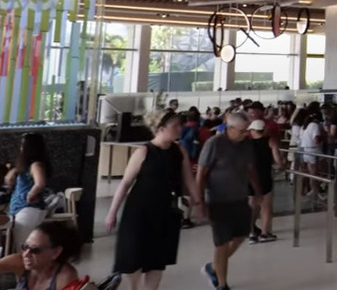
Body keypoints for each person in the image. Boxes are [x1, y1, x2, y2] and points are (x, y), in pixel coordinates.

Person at [106, 110, 200, 290]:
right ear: (161, 129)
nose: (180, 129)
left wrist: (198, 202)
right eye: (175, 126)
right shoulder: (144, 152)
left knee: (157, 260)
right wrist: (112, 213)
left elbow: (189, 179)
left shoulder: (179, 151)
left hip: (165, 211)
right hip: (138, 211)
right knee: (133, 257)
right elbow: (125, 183)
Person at [198, 112, 263, 290]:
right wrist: (200, 201)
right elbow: (201, 173)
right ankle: (222, 284)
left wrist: (257, 191)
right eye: (242, 131)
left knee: (241, 235)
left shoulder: (246, 144)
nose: (245, 134)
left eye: (246, 131)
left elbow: (250, 169)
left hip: (240, 198)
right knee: (222, 242)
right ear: (230, 128)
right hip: (218, 201)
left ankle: (213, 267)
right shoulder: (215, 144)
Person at [0, 221, 81, 290]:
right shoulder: (19, 262)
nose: (26, 254)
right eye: (25, 246)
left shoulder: (65, 276)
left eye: (35, 250)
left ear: (56, 252)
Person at [7, 133, 52, 254]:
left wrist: (30, 195)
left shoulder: (36, 165)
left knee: (24, 249)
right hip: (23, 209)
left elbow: (40, 183)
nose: (20, 148)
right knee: (23, 247)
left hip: (28, 210)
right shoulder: (28, 166)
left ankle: (27, 272)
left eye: (23, 145)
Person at [247, 120, 283, 244]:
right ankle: (264, 233)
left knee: (252, 206)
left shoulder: (247, 144)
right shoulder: (271, 142)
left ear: (252, 130)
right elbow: (278, 161)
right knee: (266, 207)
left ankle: (251, 234)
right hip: (265, 177)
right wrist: (281, 166)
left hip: (250, 178)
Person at [300, 113, 325, 199]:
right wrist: (324, 137)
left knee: (312, 173)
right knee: (319, 172)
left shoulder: (305, 126)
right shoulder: (314, 125)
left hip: (306, 151)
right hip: (314, 151)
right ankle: (315, 191)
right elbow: (316, 140)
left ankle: (314, 191)